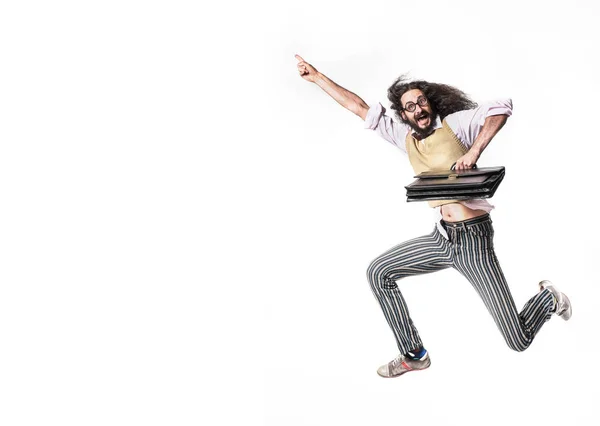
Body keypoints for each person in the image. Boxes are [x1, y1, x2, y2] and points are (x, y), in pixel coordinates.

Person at [295, 54, 572, 378]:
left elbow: (501, 108)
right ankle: (414, 354)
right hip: (442, 239)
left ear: (431, 103)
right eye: (409, 106)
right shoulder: (405, 138)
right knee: (378, 272)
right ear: (404, 113)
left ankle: (548, 298)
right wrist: (317, 78)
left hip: (473, 242)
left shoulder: (455, 125)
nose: (418, 110)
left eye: (421, 102)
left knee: (517, 339)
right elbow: (358, 107)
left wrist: (473, 151)